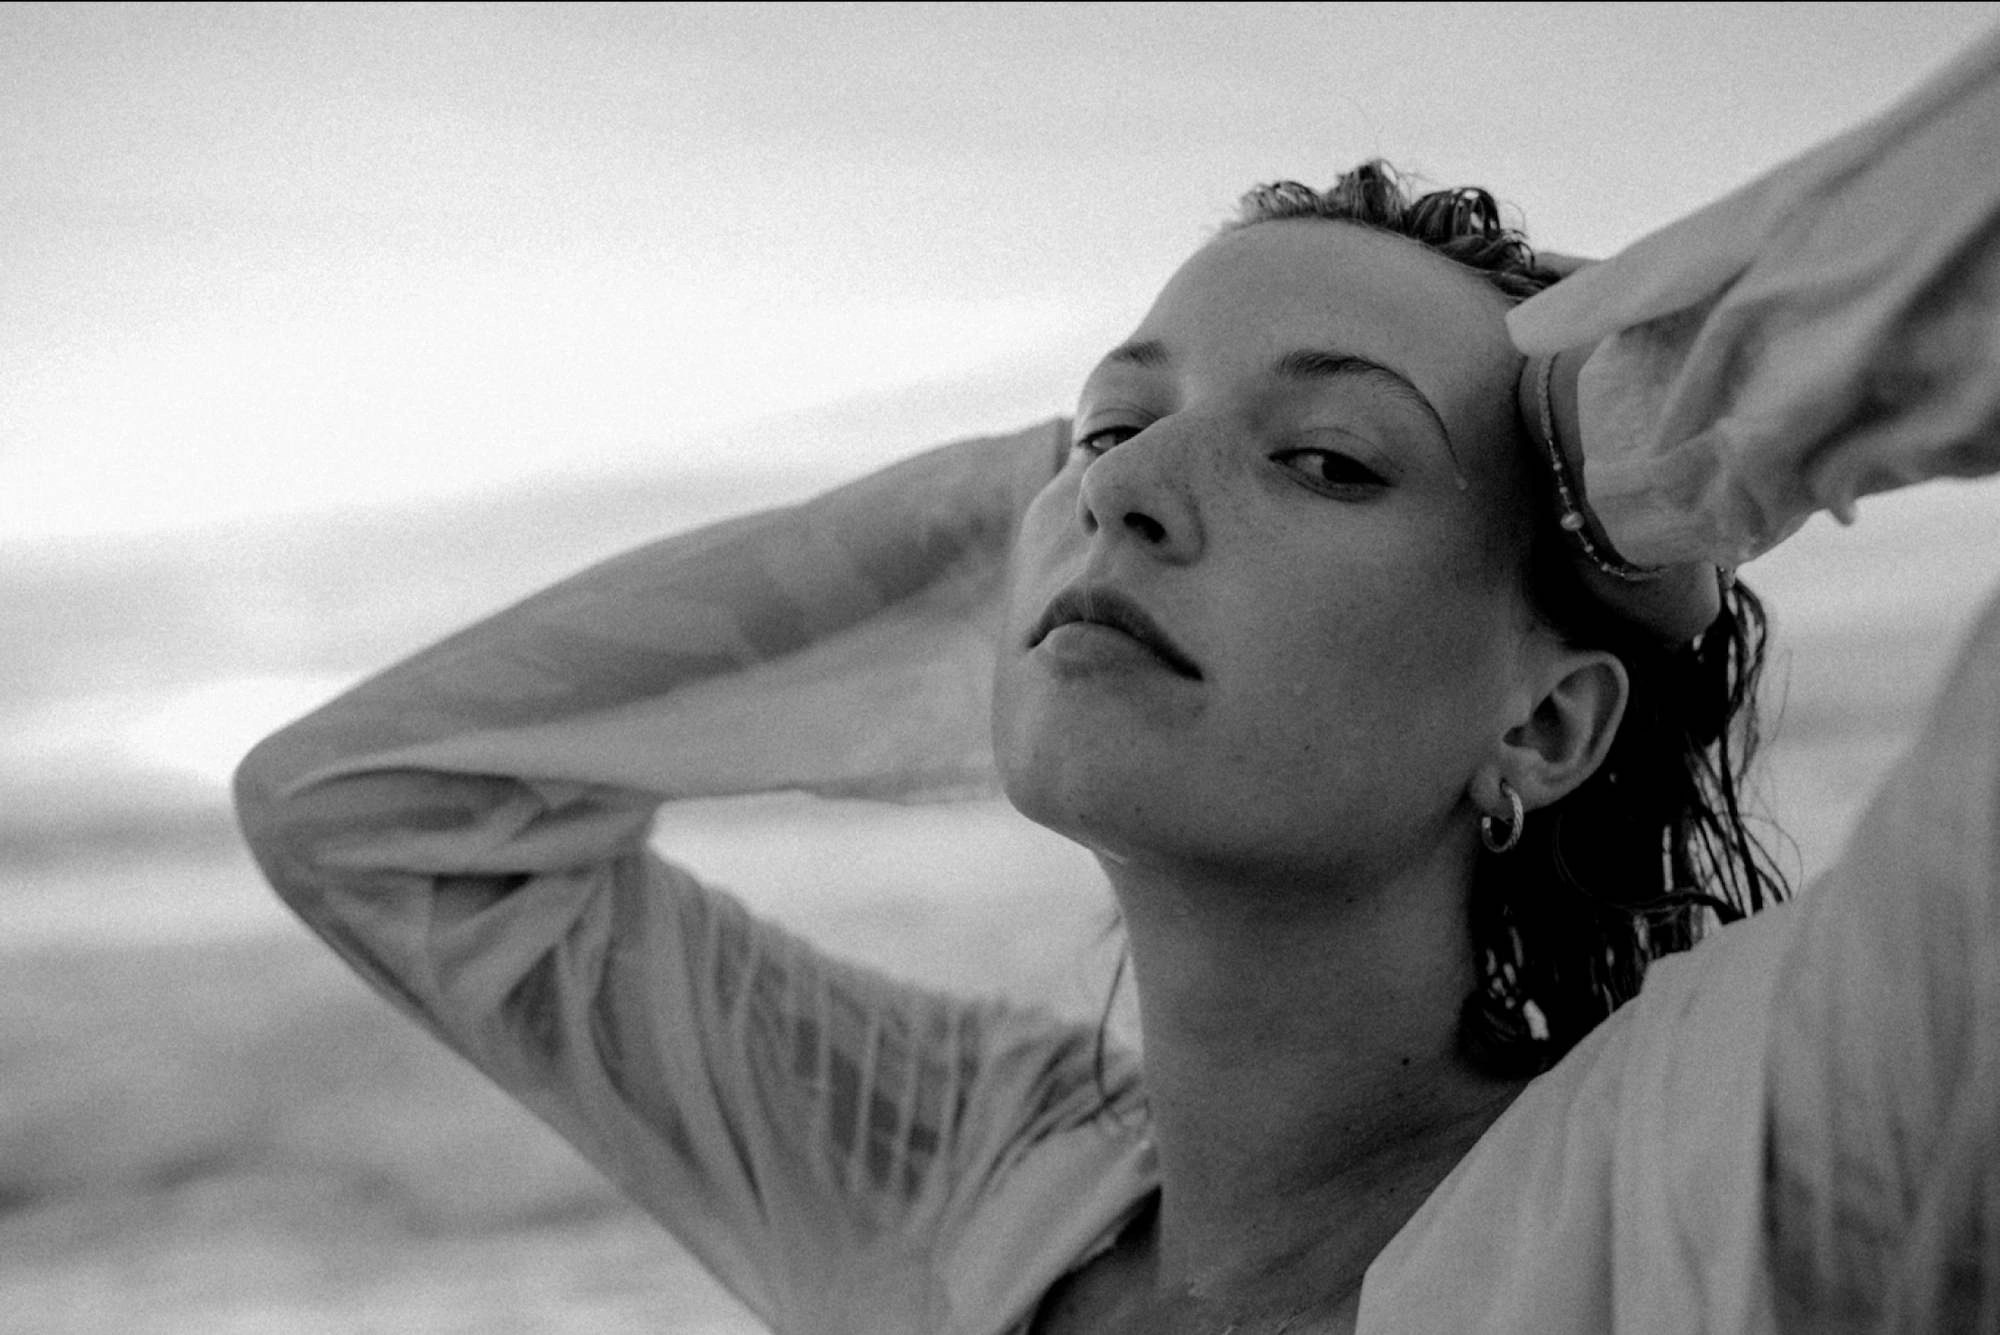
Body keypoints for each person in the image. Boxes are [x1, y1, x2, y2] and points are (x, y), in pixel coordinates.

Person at [234, 29, 2000, 1335]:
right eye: (1111, 428)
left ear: (1542, 720)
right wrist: (1034, 508)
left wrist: (1652, 421)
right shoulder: (968, 1177)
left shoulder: (1709, 1181)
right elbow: (373, 808)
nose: (1125, 495)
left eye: (1328, 459)